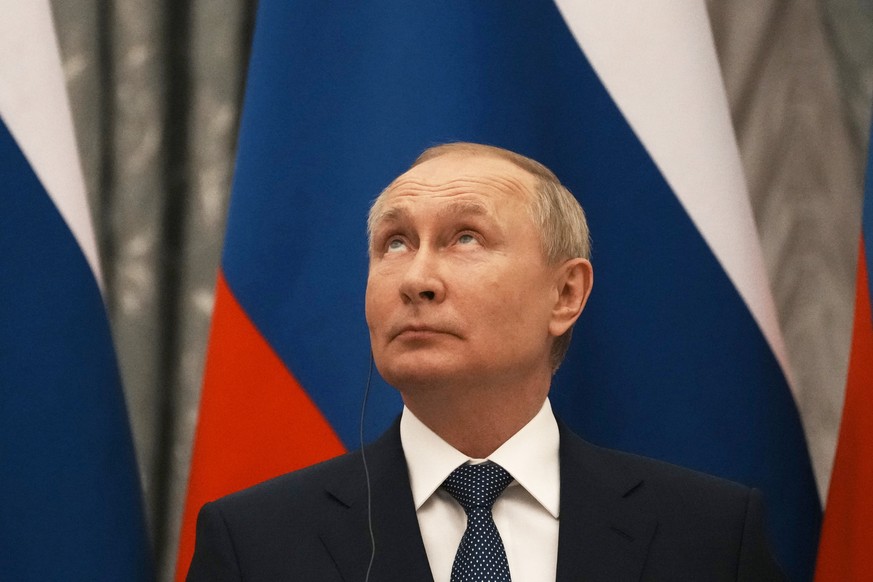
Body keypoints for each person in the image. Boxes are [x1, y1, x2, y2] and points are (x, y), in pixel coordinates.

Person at [186, 142, 786, 581]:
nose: (416, 278)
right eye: (395, 243)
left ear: (565, 295)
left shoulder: (709, 535)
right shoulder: (254, 544)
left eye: (465, 238)